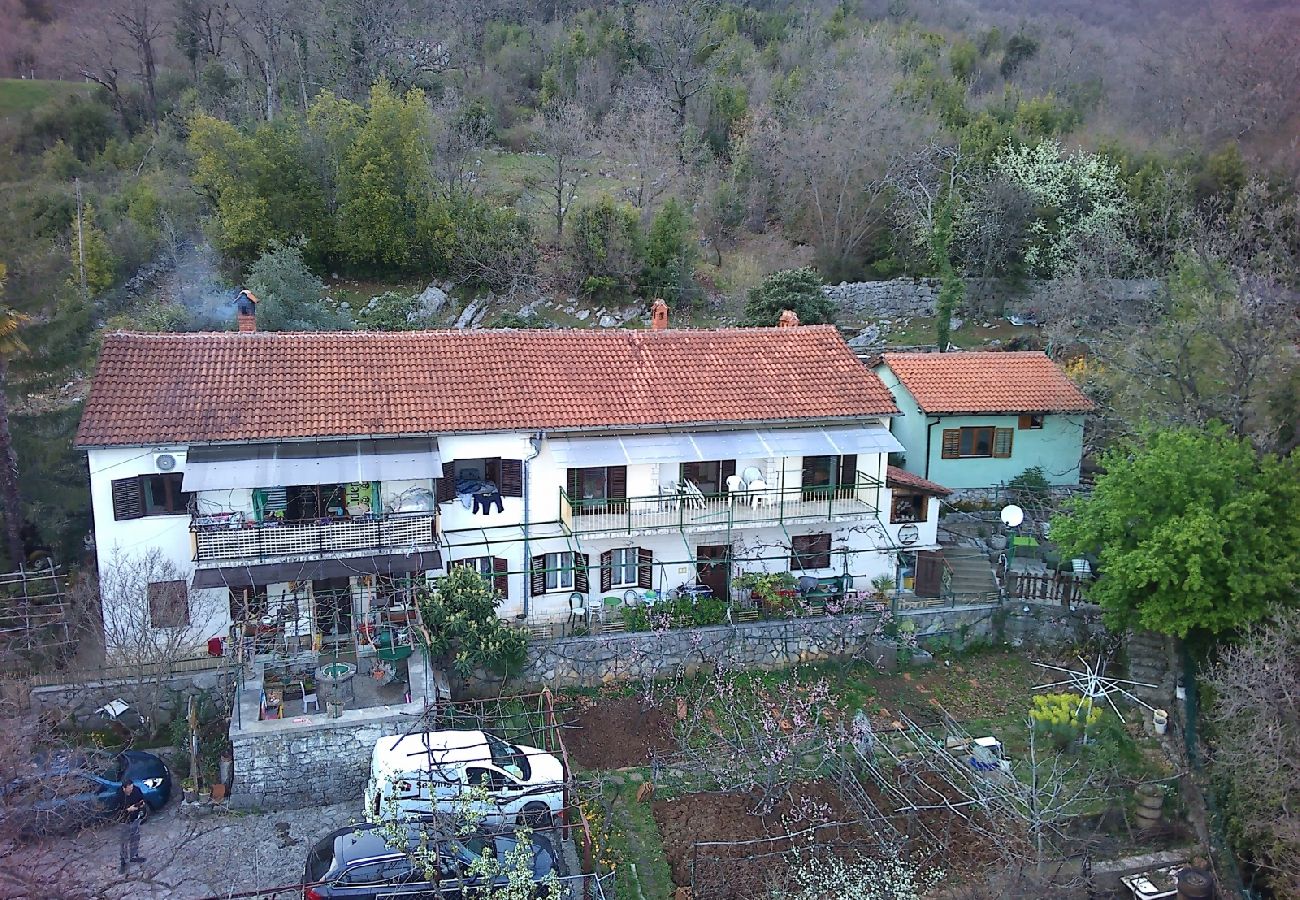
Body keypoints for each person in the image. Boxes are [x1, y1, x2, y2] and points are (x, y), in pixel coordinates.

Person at [118, 781, 147, 874]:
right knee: (124, 841)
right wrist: (127, 810)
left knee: (135, 838)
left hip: (135, 819)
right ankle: (123, 861)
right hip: (124, 821)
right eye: (129, 788)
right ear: (124, 788)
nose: (131, 790)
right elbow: (117, 811)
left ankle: (134, 856)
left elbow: (142, 800)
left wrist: (140, 805)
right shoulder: (119, 796)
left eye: (132, 787)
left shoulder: (136, 790)